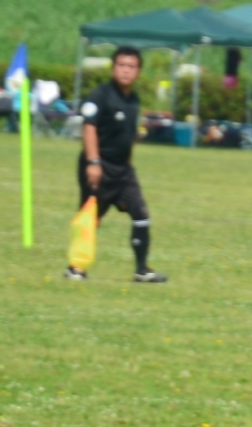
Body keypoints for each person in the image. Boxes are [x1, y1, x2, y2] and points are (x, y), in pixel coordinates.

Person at [67, 46, 167, 283]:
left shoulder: (134, 100)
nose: (126, 70)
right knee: (91, 217)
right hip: (99, 166)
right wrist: (93, 162)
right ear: (113, 68)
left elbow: (128, 136)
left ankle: (142, 270)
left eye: (131, 66)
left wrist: (128, 167)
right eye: (121, 65)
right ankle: (75, 268)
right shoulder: (100, 95)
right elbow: (89, 128)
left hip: (123, 170)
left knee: (140, 213)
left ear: (138, 72)